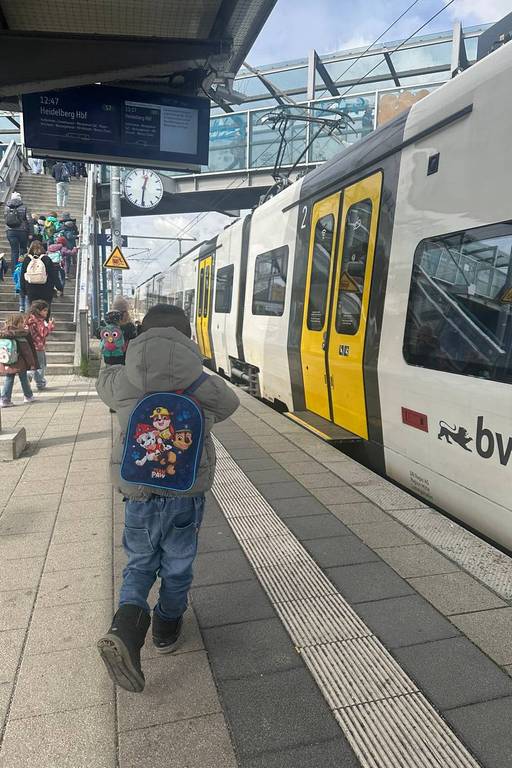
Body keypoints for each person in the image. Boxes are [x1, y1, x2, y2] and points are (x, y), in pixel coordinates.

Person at [95, 304, 239, 693]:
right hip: (184, 493)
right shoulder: (198, 380)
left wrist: (116, 353)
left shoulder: (126, 376)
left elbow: (103, 383)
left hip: (139, 492)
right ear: (187, 336)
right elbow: (230, 404)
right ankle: (165, 628)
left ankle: (125, 629)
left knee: (140, 562)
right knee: (177, 564)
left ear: (141, 334)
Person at [0, 313, 38, 407]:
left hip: (8, 361)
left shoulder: (4, 334)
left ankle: (5, 399)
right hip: (20, 362)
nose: (23, 323)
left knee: (9, 378)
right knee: (24, 379)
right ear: (16, 324)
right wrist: (32, 363)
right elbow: (27, 352)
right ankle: (28, 396)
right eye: (21, 322)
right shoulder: (20, 335)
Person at [25, 300, 54, 391]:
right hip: (38, 346)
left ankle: (30, 375)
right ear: (38, 310)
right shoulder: (38, 321)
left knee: (34, 364)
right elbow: (43, 333)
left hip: (29, 346)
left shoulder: (28, 319)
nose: (46, 312)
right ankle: (39, 382)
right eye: (44, 310)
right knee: (41, 365)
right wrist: (50, 325)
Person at [21, 241, 55, 315]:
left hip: (31, 290)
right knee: (45, 312)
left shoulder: (27, 259)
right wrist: (58, 287)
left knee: (31, 312)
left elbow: (22, 276)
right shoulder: (47, 259)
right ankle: (45, 322)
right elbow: (53, 275)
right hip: (46, 290)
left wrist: (23, 290)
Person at [4, 192, 29, 272]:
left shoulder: (6, 207)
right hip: (22, 231)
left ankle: (14, 270)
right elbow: (29, 220)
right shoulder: (24, 207)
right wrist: (31, 232)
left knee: (14, 251)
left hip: (10, 231)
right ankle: (22, 268)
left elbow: (6, 218)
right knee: (23, 249)